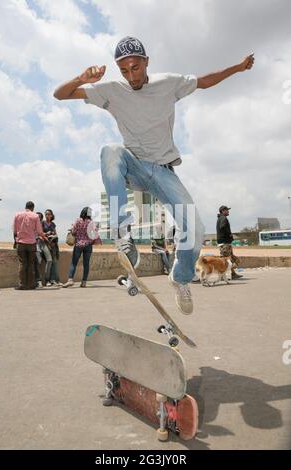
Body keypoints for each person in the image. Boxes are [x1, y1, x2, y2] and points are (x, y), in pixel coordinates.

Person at [53, 36, 254, 314]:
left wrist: (238, 68)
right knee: (110, 150)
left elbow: (205, 81)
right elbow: (60, 94)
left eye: (135, 67)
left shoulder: (168, 83)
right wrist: (81, 77)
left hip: (163, 172)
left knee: (193, 230)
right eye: (124, 70)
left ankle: (181, 278)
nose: (131, 76)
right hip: (133, 165)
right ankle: (123, 234)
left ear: (146, 62)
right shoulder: (111, 89)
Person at [63, 207, 100, 288]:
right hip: (88, 245)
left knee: (74, 263)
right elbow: (95, 233)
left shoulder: (78, 221)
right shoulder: (91, 223)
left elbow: (73, 232)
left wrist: (73, 227)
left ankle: (70, 280)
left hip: (78, 245)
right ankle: (84, 282)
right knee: (86, 264)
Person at [13, 201, 46, 290]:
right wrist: (44, 236)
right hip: (31, 243)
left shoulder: (17, 215)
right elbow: (39, 231)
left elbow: (15, 231)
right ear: (33, 208)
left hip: (20, 243)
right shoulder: (35, 216)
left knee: (22, 264)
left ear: (25, 206)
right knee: (31, 264)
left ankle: (22, 284)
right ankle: (31, 284)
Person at [216, 205, 242, 280]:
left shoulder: (221, 218)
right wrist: (229, 234)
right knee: (226, 259)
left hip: (225, 242)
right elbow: (223, 227)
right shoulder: (223, 218)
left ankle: (233, 274)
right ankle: (221, 276)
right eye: (227, 210)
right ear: (223, 211)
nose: (228, 211)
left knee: (229, 259)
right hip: (224, 242)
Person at [41, 209, 60, 287]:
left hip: (53, 245)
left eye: (49, 214)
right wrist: (46, 234)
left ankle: (55, 280)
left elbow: (56, 234)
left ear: (52, 215)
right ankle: (47, 280)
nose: (47, 215)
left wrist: (53, 235)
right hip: (45, 244)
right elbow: (40, 233)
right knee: (49, 261)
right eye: (46, 214)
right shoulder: (42, 223)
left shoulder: (53, 224)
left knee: (54, 263)